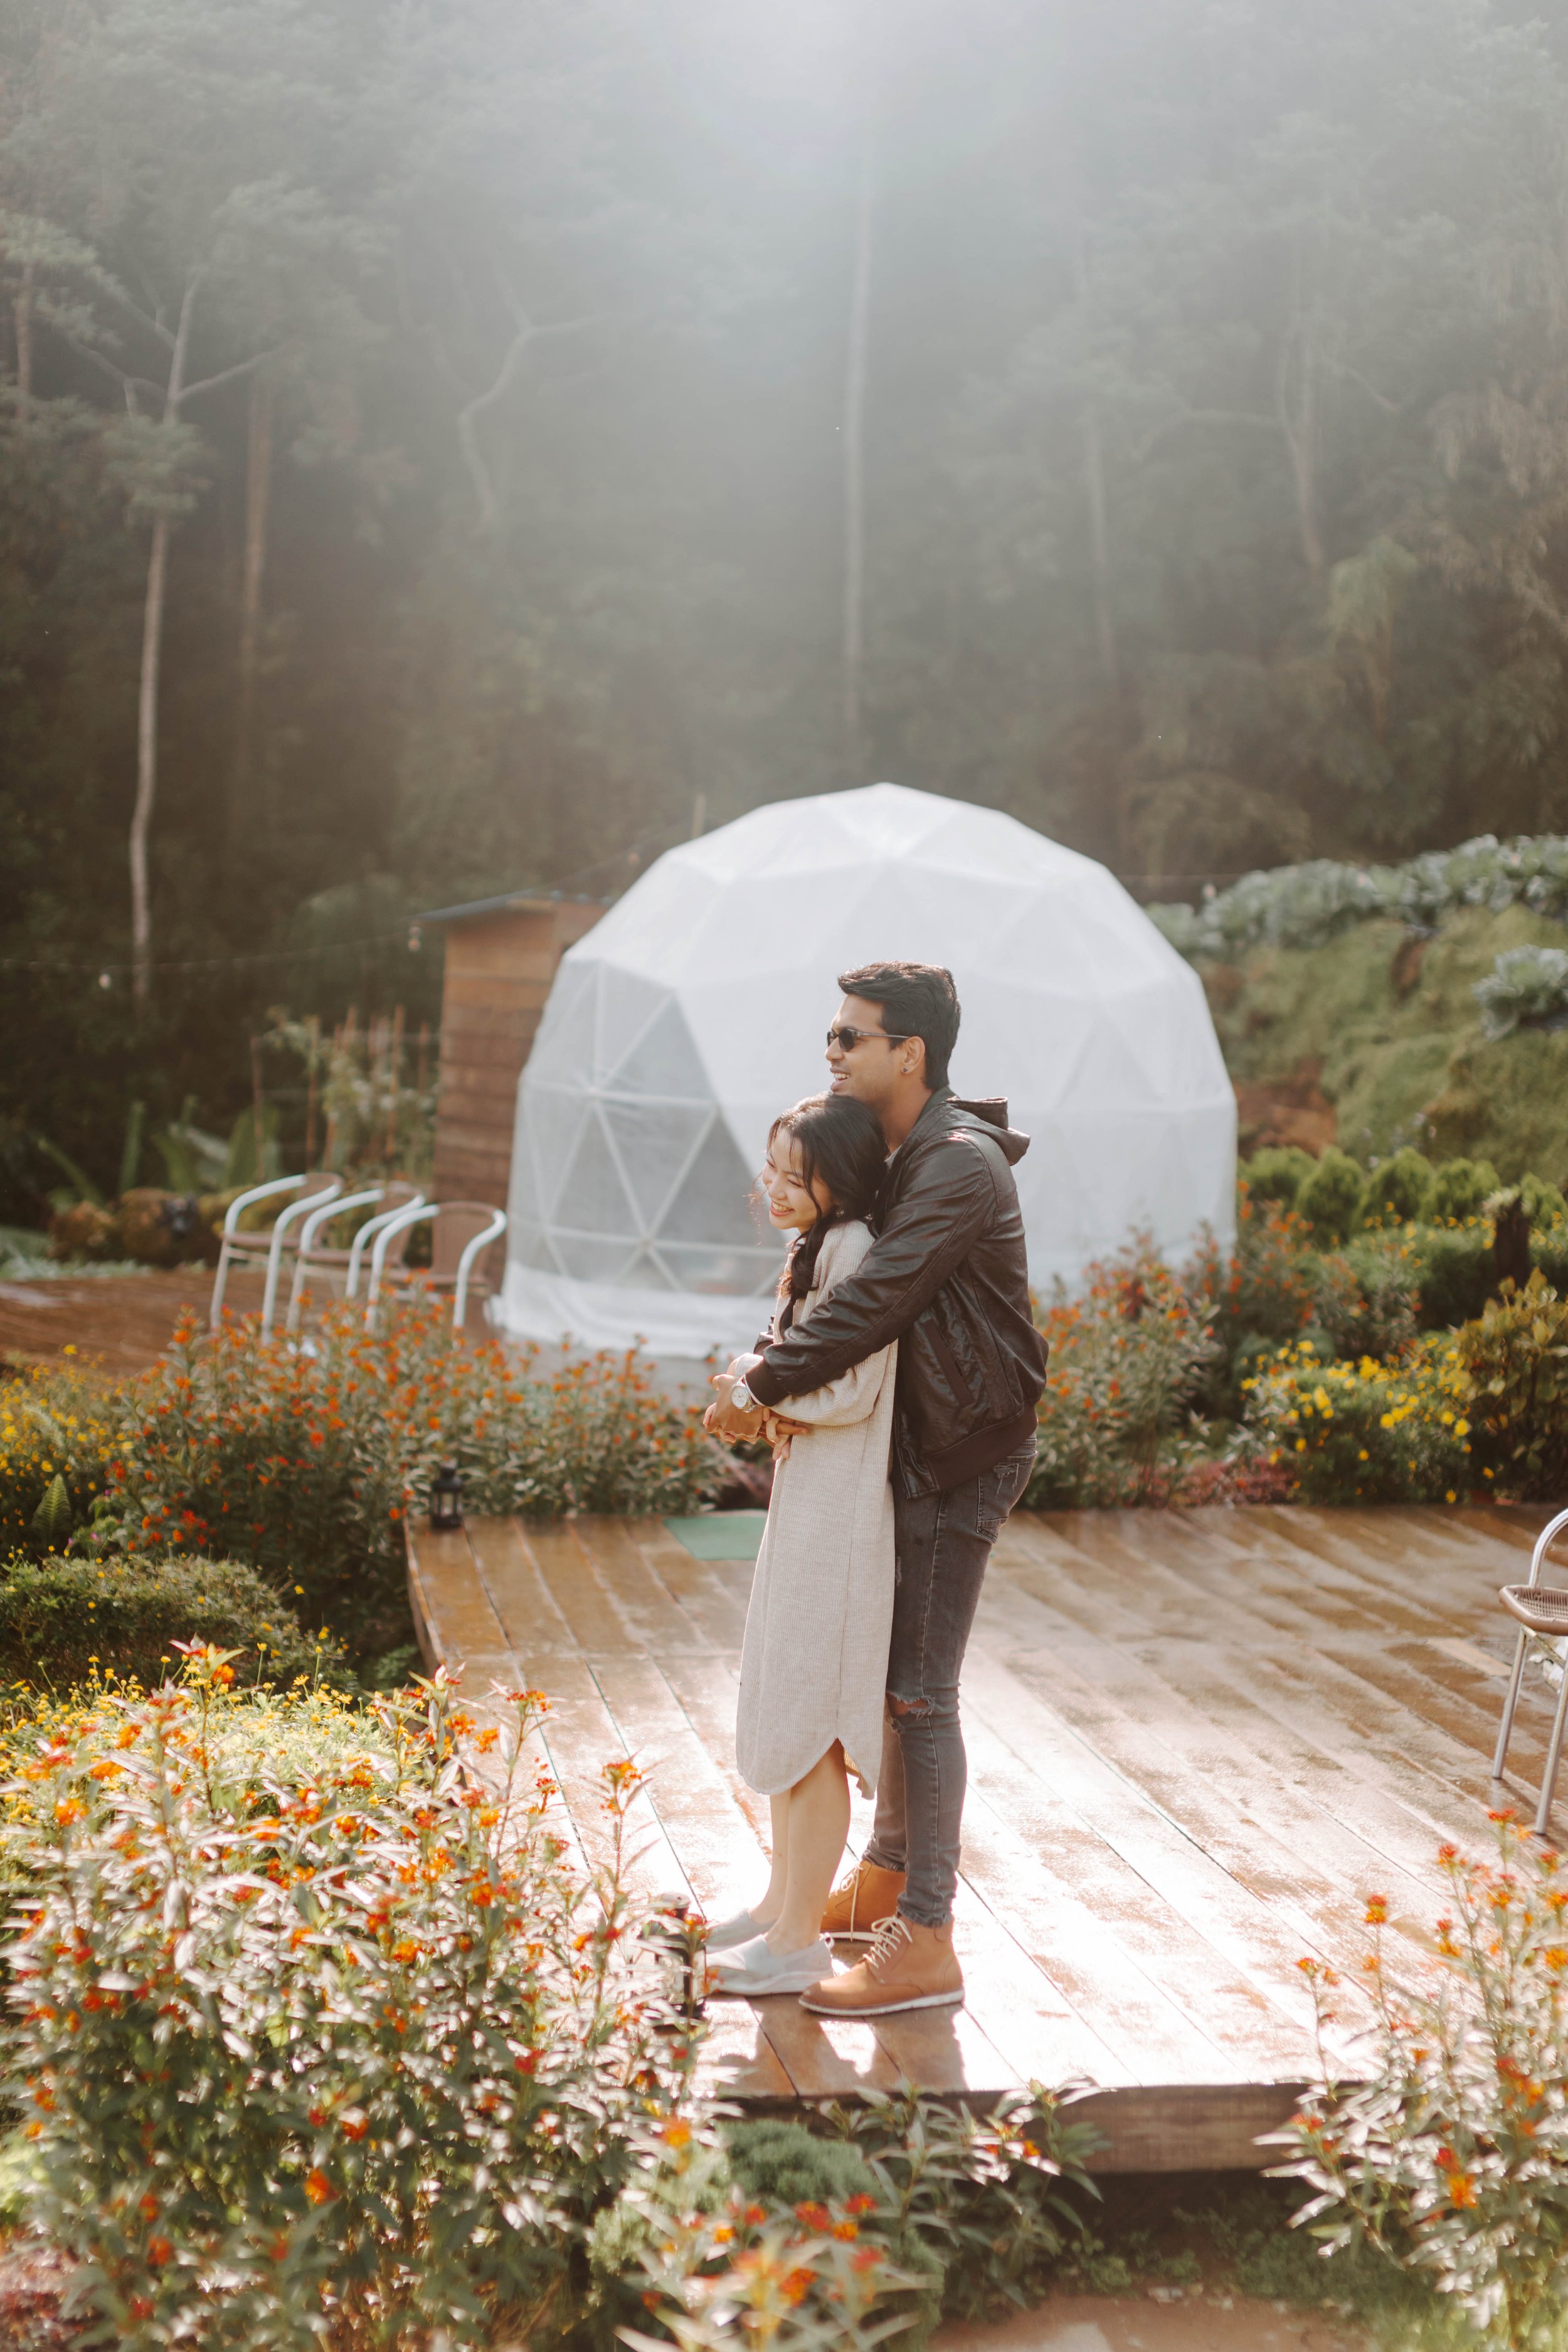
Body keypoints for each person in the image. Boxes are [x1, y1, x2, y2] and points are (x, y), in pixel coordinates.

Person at [707, 961, 1046, 2018]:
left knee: (918, 1691)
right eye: (832, 1034)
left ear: (913, 1052)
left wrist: (760, 1383)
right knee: (894, 1680)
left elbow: (878, 1302)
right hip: (917, 1444)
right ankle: (889, 1876)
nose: (833, 1049)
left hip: (962, 1448)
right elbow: (828, 1279)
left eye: (852, 1036)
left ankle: (929, 1932)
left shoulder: (954, 1164)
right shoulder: (900, 1153)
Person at [703, 1090, 896, 2000]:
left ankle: (798, 1938)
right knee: (786, 1694)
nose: (774, 1187)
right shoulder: (821, 1247)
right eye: (771, 1170)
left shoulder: (855, 1248)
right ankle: (784, 1903)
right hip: (812, 1494)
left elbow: (852, 1387)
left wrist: (757, 1395)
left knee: (812, 1713)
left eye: (796, 1173)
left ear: (842, 1178)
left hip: (842, 1510)